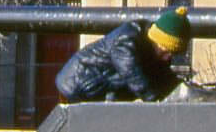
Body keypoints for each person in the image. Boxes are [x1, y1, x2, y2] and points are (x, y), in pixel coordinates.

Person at [55, 6, 189, 103]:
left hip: (98, 91)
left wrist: (184, 89)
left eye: (173, 54)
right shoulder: (126, 40)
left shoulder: (154, 51)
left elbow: (164, 78)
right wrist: (154, 101)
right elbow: (133, 75)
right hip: (77, 87)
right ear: (156, 39)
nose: (168, 58)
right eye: (165, 50)